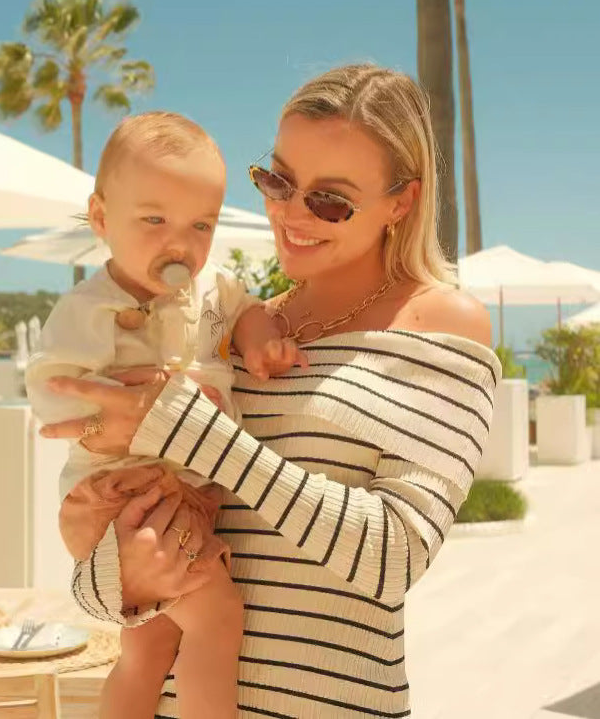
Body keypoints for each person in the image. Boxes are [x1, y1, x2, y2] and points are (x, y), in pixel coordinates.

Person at [40, 64, 501, 718]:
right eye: (276, 180)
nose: (289, 212)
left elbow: (393, 557)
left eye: (330, 199)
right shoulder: (238, 324)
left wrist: (186, 428)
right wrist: (115, 579)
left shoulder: (441, 324)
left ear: (401, 201)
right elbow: (124, 579)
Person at [26, 112, 304, 719]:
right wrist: (129, 415)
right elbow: (52, 391)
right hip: (127, 496)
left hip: (179, 492)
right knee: (217, 618)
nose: (179, 243)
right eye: (154, 220)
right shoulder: (90, 309)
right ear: (101, 218)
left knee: (148, 640)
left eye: (200, 224)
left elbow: (246, 308)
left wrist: (260, 341)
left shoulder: (212, 291)